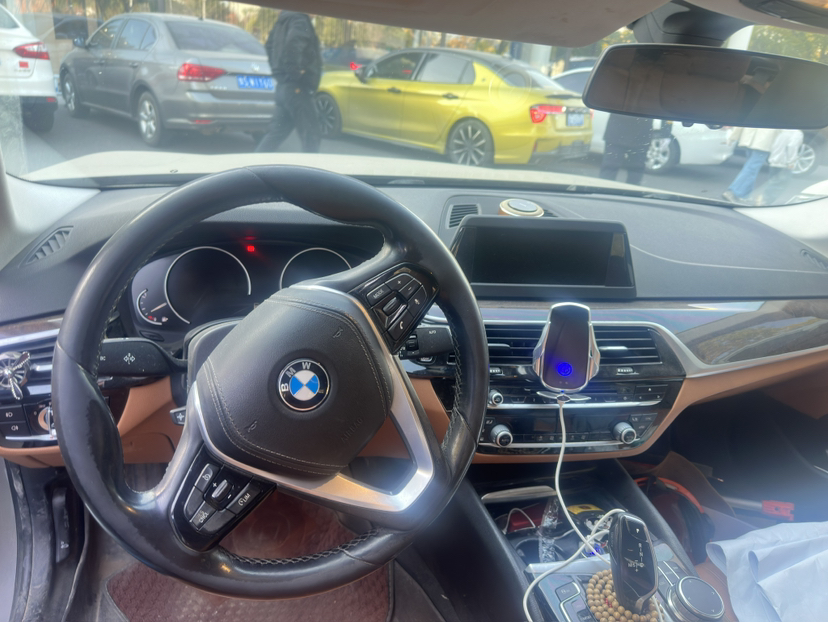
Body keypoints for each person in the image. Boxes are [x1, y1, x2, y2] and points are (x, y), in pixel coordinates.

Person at [256, 12, 322, 153]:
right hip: (297, 89)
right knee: (311, 136)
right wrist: (296, 73)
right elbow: (293, 44)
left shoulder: (283, 21)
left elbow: (269, 46)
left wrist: (279, 72)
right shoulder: (300, 20)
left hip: (284, 87)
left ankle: (254, 162)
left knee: (275, 135)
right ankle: (311, 167)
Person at [722, 127, 779, 203]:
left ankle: (745, 195)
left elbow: (742, 123)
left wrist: (732, 137)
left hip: (749, 138)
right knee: (752, 168)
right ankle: (733, 191)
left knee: (750, 168)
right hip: (764, 142)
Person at [747, 129, 804, 206]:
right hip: (784, 163)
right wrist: (791, 161)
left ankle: (763, 199)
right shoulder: (797, 133)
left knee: (773, 181)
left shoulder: (782, 130)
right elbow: (792, 146)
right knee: (780, 184)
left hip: (774, 160)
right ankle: (765, 201)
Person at [599, 114, 653, 185]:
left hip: (623, 132)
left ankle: (604, 189)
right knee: (634, 171)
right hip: (627, 132)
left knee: (610, 169)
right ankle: (604, 189)